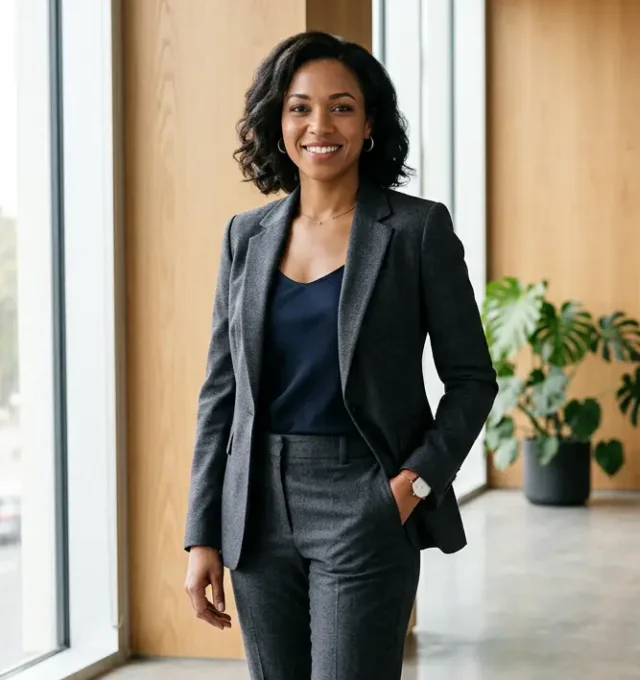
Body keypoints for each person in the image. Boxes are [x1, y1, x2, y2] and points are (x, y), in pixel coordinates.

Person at [180, 31, 497, 679]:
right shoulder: (246, 236)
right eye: (299, 107)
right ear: (278, 122)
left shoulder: (416, 231)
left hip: (366, 495)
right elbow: (222, 393)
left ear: (370, 122)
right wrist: (202, 532)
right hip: (256, 509)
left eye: (341, 106)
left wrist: (410, 488)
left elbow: (472, 380)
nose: (319, 125)